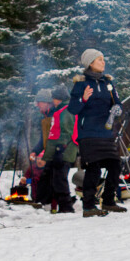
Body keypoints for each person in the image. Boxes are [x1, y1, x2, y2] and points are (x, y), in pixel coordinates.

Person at [68, 49, 126, 217]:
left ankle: (108, 201)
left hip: (106, 133)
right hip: (88, 133)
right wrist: (83, 98)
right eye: (100, 59)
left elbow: (118, 103)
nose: (103, 62)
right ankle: (88, 206)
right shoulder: (80, 83)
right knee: (93, 170)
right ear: (91, 63)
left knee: (115, 165)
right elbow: (73, 108)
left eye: (103, 59)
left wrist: (118, 109)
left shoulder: (108, 83)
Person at [42, 86, 78, 214]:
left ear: (59, 98)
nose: (53, 101)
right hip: (62, 149)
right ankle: (62, 205)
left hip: (64, 149)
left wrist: (60, 147)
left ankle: (67, 207)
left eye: (54, 98)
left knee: (60, 178)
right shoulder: (62, 110)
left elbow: (66, 131)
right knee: (56, 178)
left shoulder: (66, 110)